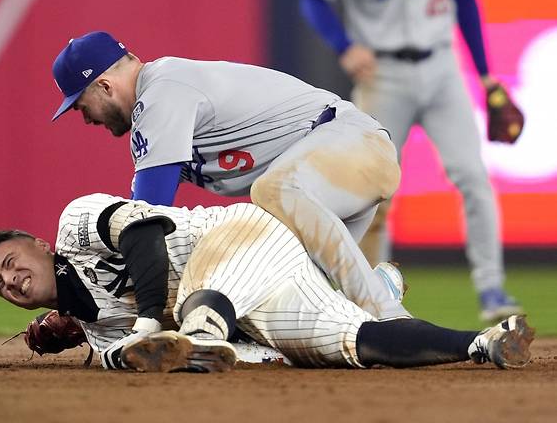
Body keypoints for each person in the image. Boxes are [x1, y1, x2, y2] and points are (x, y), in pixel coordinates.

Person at [49, 30, 409, 321]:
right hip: (324, 180)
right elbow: (144, 221)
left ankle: (386, 311)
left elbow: (146, 217)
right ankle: (374, 295)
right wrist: (81, 313)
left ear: (105, 87)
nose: (85, 118)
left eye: (81, 105)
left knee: (273, 190)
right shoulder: (158, 103)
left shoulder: (161, 93)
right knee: (274, 293)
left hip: (352, 145)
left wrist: (88, 288)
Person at [0, 194, 533, 372]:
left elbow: (144, 234)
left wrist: (147, 322)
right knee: (347, 345)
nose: (10, 277)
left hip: (238, 236)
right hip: (250, 299)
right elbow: (132, 351)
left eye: (11, 259)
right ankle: (483, 343)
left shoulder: (75, 223)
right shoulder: (100, 334)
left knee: (197, 302)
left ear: (39, 246)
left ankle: (209, 335)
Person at [299, 0, 522, 322]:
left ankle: (492, 289)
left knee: (474, 177)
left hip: (442, 66)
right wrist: (344, 45)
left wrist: (486, 75)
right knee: (372, 194)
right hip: (381, 73)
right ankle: (371, 301)